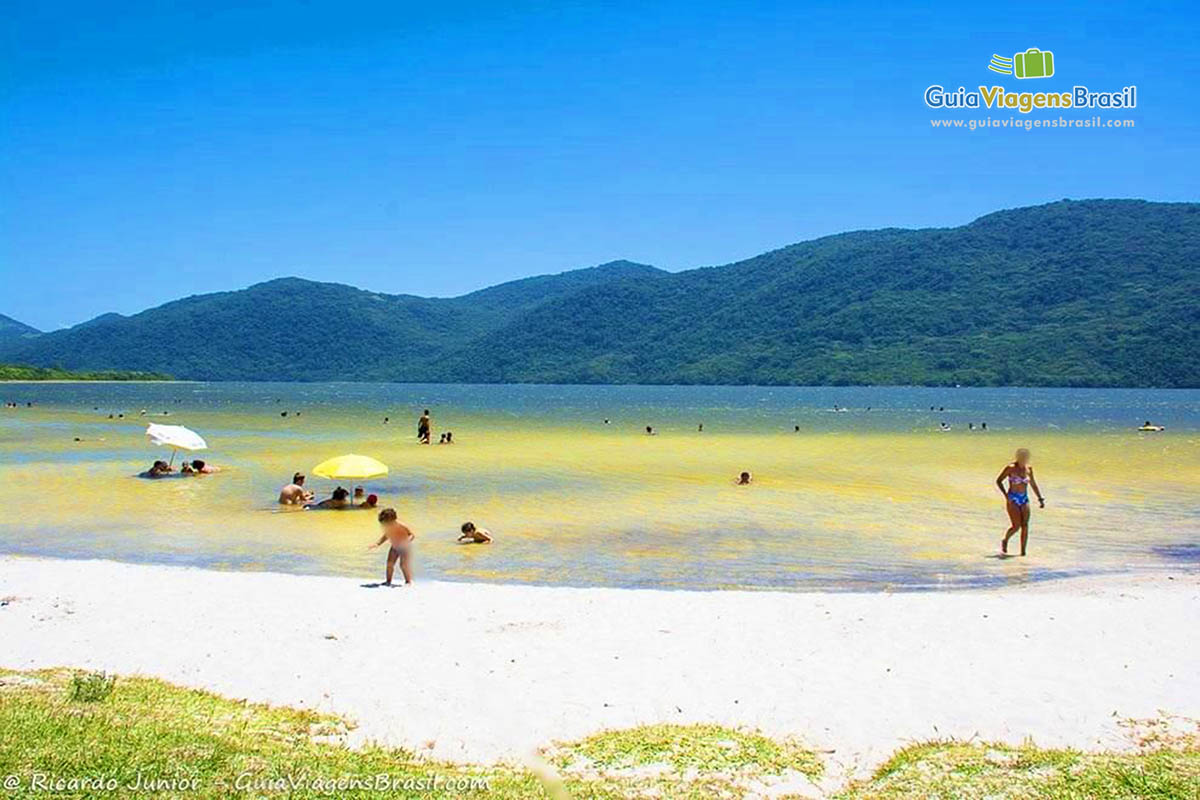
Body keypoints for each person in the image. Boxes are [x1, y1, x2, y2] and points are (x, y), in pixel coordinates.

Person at [996, 448, 1045, 557]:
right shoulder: (1010, 468)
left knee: (1025, 525)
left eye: (1026, 457)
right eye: (1022, 457)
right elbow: (998, 481)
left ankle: (1023, 552)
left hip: (1024, 498)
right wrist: (1006, 495)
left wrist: (1040, 498)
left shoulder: (1029, 469)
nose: (1024, 459)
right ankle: (1005, 540)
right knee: (1016, 526)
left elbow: (1033, 484)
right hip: (1013, 498)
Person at [369, 508, 415, 585]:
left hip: (404, 548)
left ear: (392, 520)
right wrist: (377, 544)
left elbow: (411, 535)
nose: (385, 525)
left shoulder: (401, 525)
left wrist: (406, 542)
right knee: (389, 564)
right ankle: (388, 581)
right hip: (394, 547)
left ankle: (408, 581)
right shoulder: (389, 527)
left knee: (403, 565)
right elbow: (386, 536)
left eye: (386, 523)